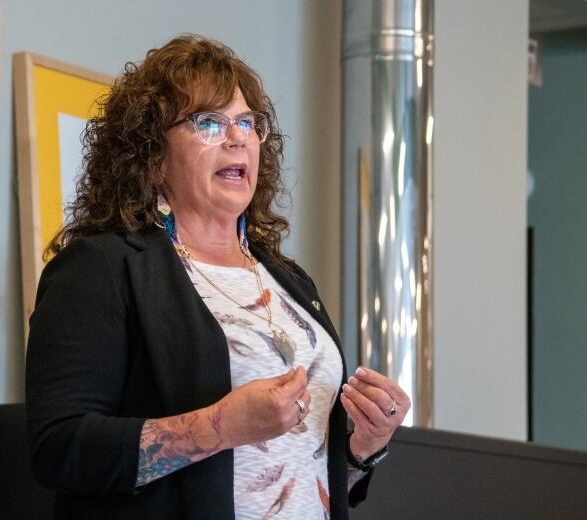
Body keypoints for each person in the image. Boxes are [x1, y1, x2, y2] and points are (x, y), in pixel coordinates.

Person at [25, 34, 410, 520]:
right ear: (152, 153)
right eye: (209, 122)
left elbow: (311, 471)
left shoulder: (290, 281)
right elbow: (60, 450)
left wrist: (362, 447)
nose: (238, 138)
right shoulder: (102, 268)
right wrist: (219, 425)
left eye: (247, 122)